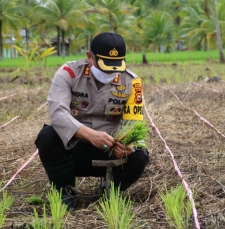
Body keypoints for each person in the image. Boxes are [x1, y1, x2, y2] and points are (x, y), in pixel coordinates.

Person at [35, 32, 149, 211]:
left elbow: (133, 122)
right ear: (90, 57)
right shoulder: (70, 73)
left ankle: (112, 189)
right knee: (47, 136)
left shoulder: (132, 82)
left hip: (109, 150)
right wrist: (90, 134)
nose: (110, 72)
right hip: (74, 147)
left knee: (140, 154)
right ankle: (64, 191)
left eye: (116, 66)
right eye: (105, 66)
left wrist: (129, 144)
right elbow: (58, 112)